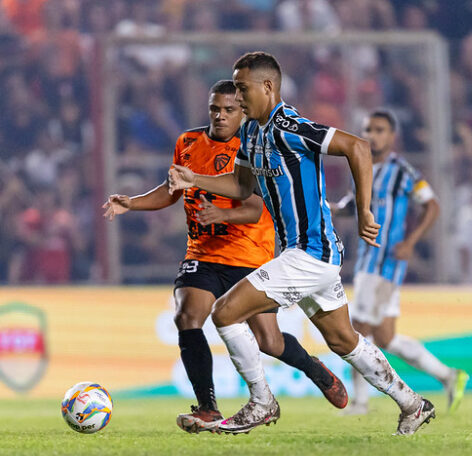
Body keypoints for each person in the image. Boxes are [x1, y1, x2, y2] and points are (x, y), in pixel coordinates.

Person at [168, 52, 436, 436]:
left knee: (225, 312)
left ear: (267, 87)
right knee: (344, 339)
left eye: (242, 89)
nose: (238, 97)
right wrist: (193, 177)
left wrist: (364, 211)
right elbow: (242, 187)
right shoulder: (252, 132)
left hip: (311, 252)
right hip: (307, 254)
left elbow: (357, 148)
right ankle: (413, 404)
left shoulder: (287, 125)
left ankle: (262, 403)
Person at [103, 80, 347, 434]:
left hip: (250, 254)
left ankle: (313, 368)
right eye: (214, 109)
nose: (219, 115)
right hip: (202, 254)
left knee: (269, 341)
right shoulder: (187, 142)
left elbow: (254, 208)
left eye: (228, 110)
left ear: (243, 111)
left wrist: (222, 215)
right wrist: (133, 202)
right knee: (187, 315)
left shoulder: (254, 146)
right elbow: (173, 190)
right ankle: (207, 408)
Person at [334, 110, 468, 415]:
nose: (372, 135)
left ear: (392, 136)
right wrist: (325, 207)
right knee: (385, 337)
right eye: (368, 129)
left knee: (357, 331)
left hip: (384, 263)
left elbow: (432, 206)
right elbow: (351, 207)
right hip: (370, 260)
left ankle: (360, 402)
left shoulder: (402, 171)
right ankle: (449, 376)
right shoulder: (362, 168)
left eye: (380, 130)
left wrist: (410, 242)